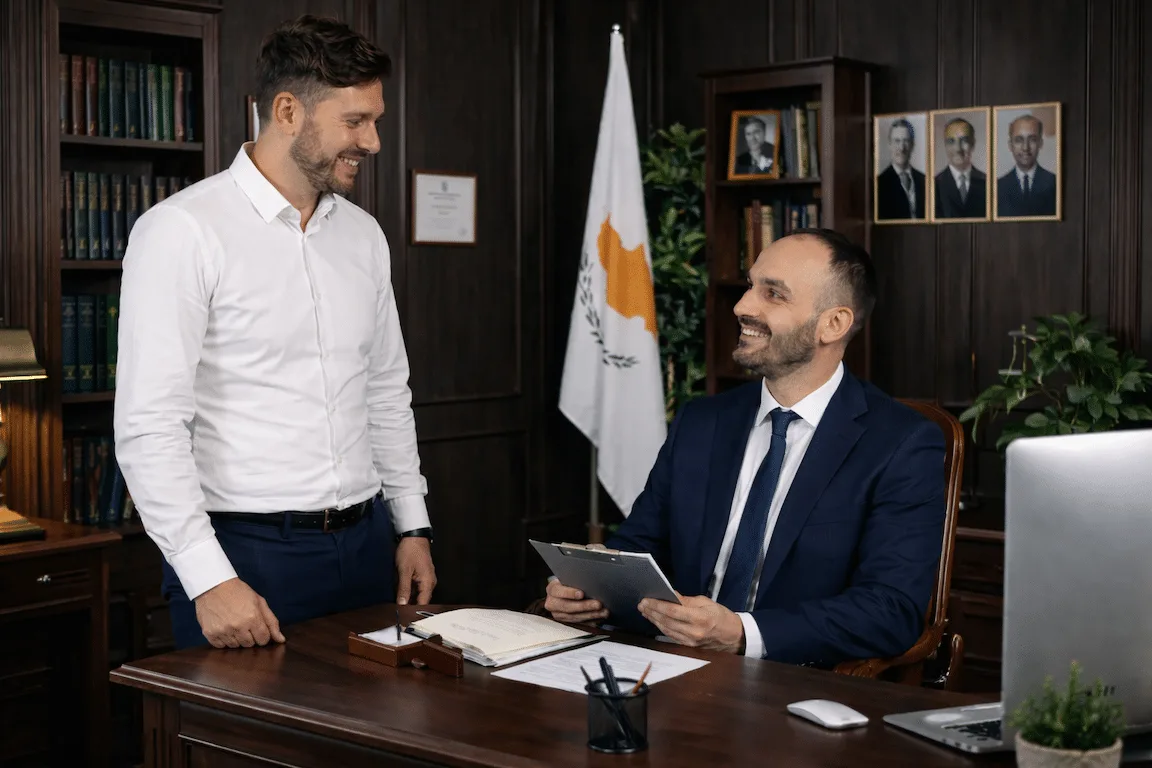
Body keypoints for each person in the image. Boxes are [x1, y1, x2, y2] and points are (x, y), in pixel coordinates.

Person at [114, 15, 436, 651]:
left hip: (370, 547)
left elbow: (385, 391)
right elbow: (150, 427)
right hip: (245, 558)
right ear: (288, 110)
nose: (372, 141)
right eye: (355, 121)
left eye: (375, 120)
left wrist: (412, 526)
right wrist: (208, 580)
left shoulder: (364, 236)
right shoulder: (181, 231)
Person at [544, 229, 945, 668]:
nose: (742, 306)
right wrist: (591, 589)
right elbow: (640, 547)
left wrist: (740, 634)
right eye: (751, 285)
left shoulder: (901, 442)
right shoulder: (702, 421)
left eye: (773, 294)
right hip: (666, 667)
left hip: (795, 684)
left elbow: (890, 612)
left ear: (834, 324)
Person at [996, 114, 1057, 217]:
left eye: (1032, 140)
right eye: (1019, 140)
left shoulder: (1054, 183)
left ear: (1040, 143)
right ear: (1010, 145)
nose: (1025, 147)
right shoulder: (997, 187)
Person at [933, 117, 987, 219]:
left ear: (973, 144)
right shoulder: (934, 185)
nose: (958, 148)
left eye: (964, 140)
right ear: (945, 145)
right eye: (951, 141)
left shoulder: (988, 183)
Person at [876, 118, 926, 220]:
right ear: (889, 145)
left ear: (912, 145)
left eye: (906, 141)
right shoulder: (879, 183)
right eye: (897, 141)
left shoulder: (924, 181)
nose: (902, 148)